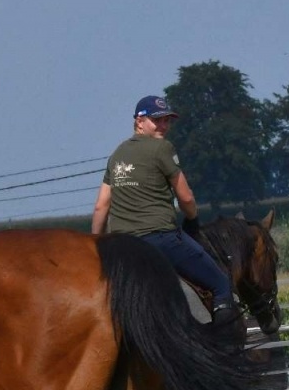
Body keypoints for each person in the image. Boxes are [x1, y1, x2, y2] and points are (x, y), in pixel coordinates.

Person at [90, 95, 240, 333]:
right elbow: (186, 198)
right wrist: (192, 219)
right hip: (160, 239)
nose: (163, 126)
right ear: (139, 121)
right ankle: (224, 349)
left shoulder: (117, 155)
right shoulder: (163, 148)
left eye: (167, 121)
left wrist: (95, 243)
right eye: (156, 120)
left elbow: (101, 206)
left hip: (121, 245)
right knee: (221, 284)